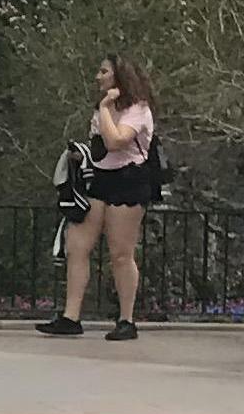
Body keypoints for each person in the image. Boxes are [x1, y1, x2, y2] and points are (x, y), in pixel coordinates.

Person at [45, 55, 160, 341]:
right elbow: (99, 147)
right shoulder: (100, 110)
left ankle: (126, 319)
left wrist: (107, 107)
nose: (98, 77)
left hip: (129, 180)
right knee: (77, 245)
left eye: (104, 71)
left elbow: (116, 141)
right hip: (99, 178)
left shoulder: (138, 109)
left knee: (120, 253)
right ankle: (71, 316)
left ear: (119, 76)